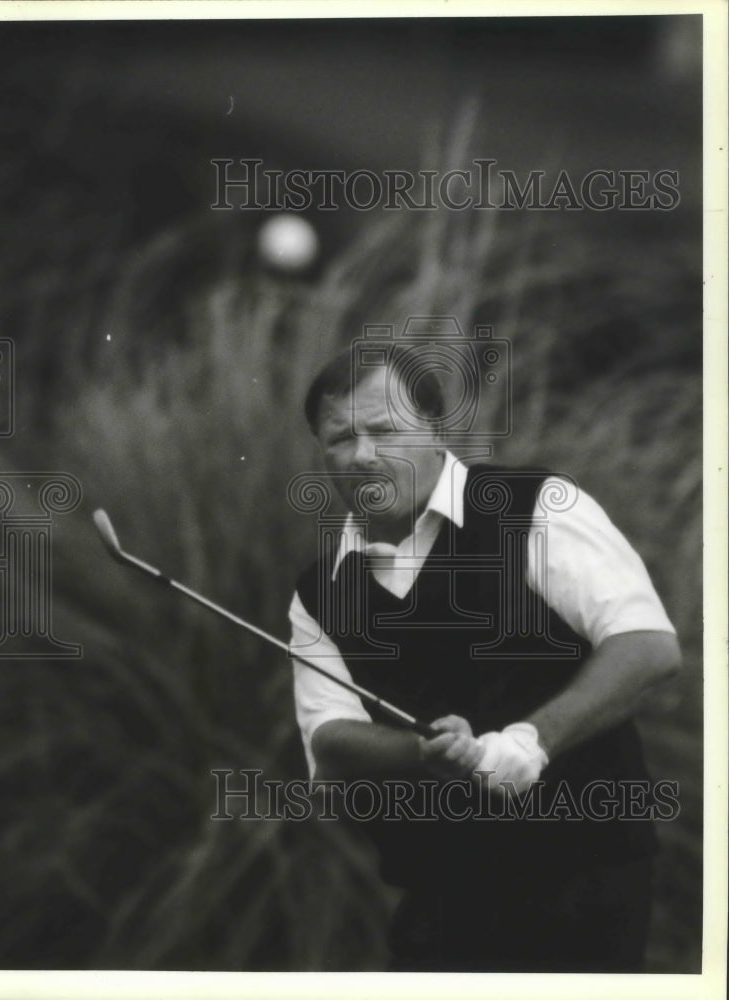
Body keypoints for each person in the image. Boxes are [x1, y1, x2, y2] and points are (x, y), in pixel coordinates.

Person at [289, 342, 681, 972]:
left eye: (384, 431)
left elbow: (647, 645)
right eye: (340, 439)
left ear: (437, 431)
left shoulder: (537, 508)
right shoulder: (318, 591)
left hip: (585, 886)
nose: (362, 456)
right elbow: (330, 739)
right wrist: (422, 752)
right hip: (440, 902)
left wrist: (529, 743)